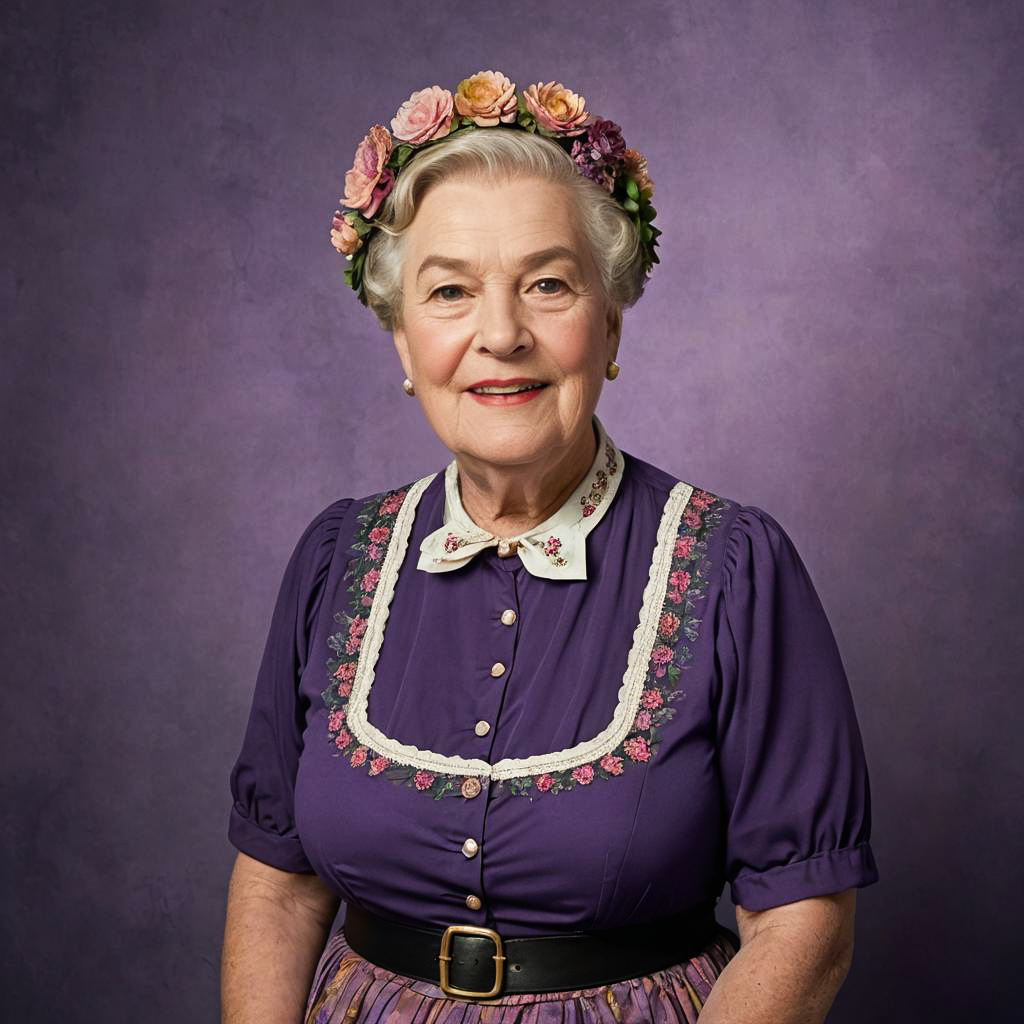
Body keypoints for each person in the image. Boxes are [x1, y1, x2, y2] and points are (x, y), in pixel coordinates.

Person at [220, 70, 879, 1024]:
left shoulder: (735, 568)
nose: (500, 334)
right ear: (403, 341)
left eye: (547, 285)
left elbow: (804, 921)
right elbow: (278, 885)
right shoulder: (337, 558)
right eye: (450, 291)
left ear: (609, 322)